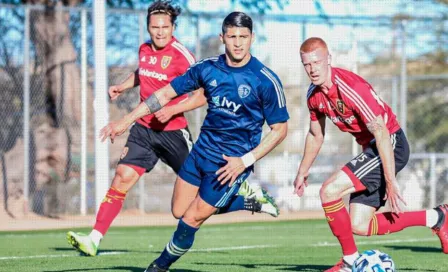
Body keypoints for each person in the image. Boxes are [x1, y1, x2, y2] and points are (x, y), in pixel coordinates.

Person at [66, 1, 275, 257]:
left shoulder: (182, 55)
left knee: (196, 200)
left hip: (174, 133)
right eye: (155, 27)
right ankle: (94, 239)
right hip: (144, 131)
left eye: (165, 27)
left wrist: (174, 110)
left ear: (173, 27)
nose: (160, 32)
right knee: (122, 176)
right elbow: (142, 73)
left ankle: (249, 200)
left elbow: (204, 94)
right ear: (148, 28)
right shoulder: (144, 49)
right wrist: (122, 86)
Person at [293, 37, 448, 272]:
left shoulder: (351, 88)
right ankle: (437, 217)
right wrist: (302, 171)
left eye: (317, 62)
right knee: (359, 224)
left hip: (390, 145)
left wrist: (390, 180)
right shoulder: (313, 96)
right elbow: (315, 135)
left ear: (329, 60)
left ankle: (349, 262)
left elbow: (382, 132)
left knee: (329, 190)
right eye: (306, 64)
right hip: (374, 149)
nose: (312, 69)